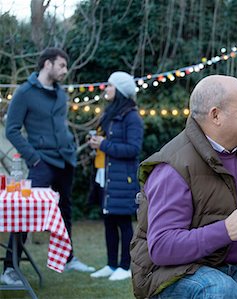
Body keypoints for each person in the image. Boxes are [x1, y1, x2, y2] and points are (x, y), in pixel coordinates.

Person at [130, 75, 237, 299]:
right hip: (172, 273)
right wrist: (226, 230)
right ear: (216, 115)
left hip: (236, 267)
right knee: (221, 290)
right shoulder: (173, 168)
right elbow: (161, 248)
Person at [2, 48, 94, 286]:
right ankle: (10, 268)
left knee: (66, 210)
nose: (65, 70)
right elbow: (11, 129)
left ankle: (68, 258)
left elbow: (60, 126)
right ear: (47, 64)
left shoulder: (61, 94)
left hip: (66, 160)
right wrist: (33, 158)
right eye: (62, 65)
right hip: (40, 162)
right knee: (23, 213)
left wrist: (71, 147)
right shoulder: (24, 92)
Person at [88, 71, 143, 281]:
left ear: (119, 90)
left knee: (122, 222)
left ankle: (125, 266)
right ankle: (111, 265)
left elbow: (133, 149)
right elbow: (109, 145)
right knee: (108, 220)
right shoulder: (110, 114)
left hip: (123, 179)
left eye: (110, 85)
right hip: (106, 175)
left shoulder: (132, 117)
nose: (106, 89)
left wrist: (104, 144)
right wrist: (97, 145)